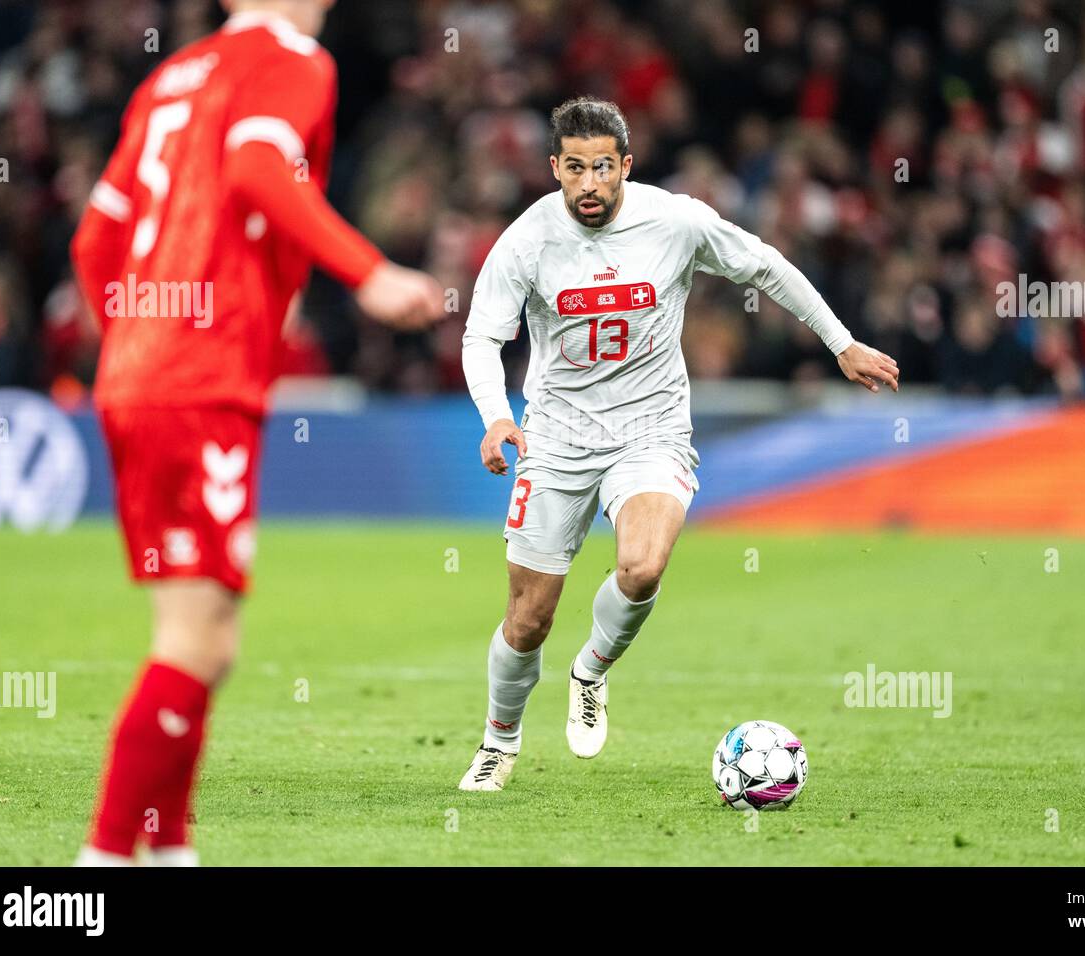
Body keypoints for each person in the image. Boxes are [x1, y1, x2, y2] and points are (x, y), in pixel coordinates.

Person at [69, 0, 445, 864]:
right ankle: (101, 864)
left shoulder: (173, 74)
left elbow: (96, 240)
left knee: (207, 636)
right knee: (197, 641)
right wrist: (370, 271)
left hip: (140, 373)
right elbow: (253, 167)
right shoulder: (292, 61)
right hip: (201, 376)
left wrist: (131, 344)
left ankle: (170, 851)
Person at [457, 97, 898, 791]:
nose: (590, 183)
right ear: (555, 169)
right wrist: (493, 414)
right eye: (575, 168)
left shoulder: (675, 220)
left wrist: (840, 343)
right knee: (528, 618)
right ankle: (498, 741)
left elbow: (765, 266)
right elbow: (482, 335)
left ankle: (592, 669)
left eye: (603, 167)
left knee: (641, 568)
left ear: (626, 165)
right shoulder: (527, 240)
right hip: (559, 439)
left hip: (650, 430)